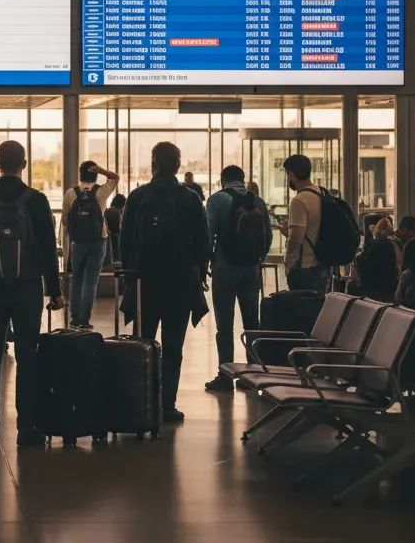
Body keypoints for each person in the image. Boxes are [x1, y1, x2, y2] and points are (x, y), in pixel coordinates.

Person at [0, 139, 64, 447]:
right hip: (28, 289)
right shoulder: (36, 200)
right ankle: (27, 427)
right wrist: (55, 292)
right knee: (27, 356)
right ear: (24, 164)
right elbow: (49, 249)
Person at [120, 142, 210, 424]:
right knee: (173, 348)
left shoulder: (138, 197)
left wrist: (130, 275)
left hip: (144, 283)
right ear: (178, 166)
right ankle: (167, 405)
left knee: (143, 344)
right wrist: (198, 272)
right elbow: (204, 243)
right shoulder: (191, 198)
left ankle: (142, 403)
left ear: (153, 162)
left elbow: (125, 242)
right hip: (180, 284)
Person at [203, 164, 273, 392]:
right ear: (243, 180)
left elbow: (208, 235)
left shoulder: (217, 200)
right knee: (252, 321)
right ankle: (252, 375)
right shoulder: (257, 201)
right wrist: (258, 258)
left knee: (225, 324)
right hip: (251, 268)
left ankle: (225, 376)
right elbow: (268, 235)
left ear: (223, 180)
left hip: (225, 267)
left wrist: (205, 265)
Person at [61, 160, 119, 328]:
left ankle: (75, 317)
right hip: (97, 241)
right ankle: (84, 320)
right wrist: (102, 170)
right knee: (90, 281)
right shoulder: (101, 192)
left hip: (77, 242)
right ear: (95, 174)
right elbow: (115, 177)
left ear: (80, 174)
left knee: (77, 279)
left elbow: (65, 220)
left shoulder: (71, 193)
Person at [282, 154, 328, 292]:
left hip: (304, 268)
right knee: (317, 308)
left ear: (291, 175)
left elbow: (297, 238)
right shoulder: (321, 193)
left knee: (301, 310)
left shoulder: (299, 200)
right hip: (321, 265)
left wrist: (288, 261)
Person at [359, 214, 415, 303]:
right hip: (379, 302)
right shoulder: (385, 246)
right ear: (405, 230)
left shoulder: (392, 244)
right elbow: (383, 282)